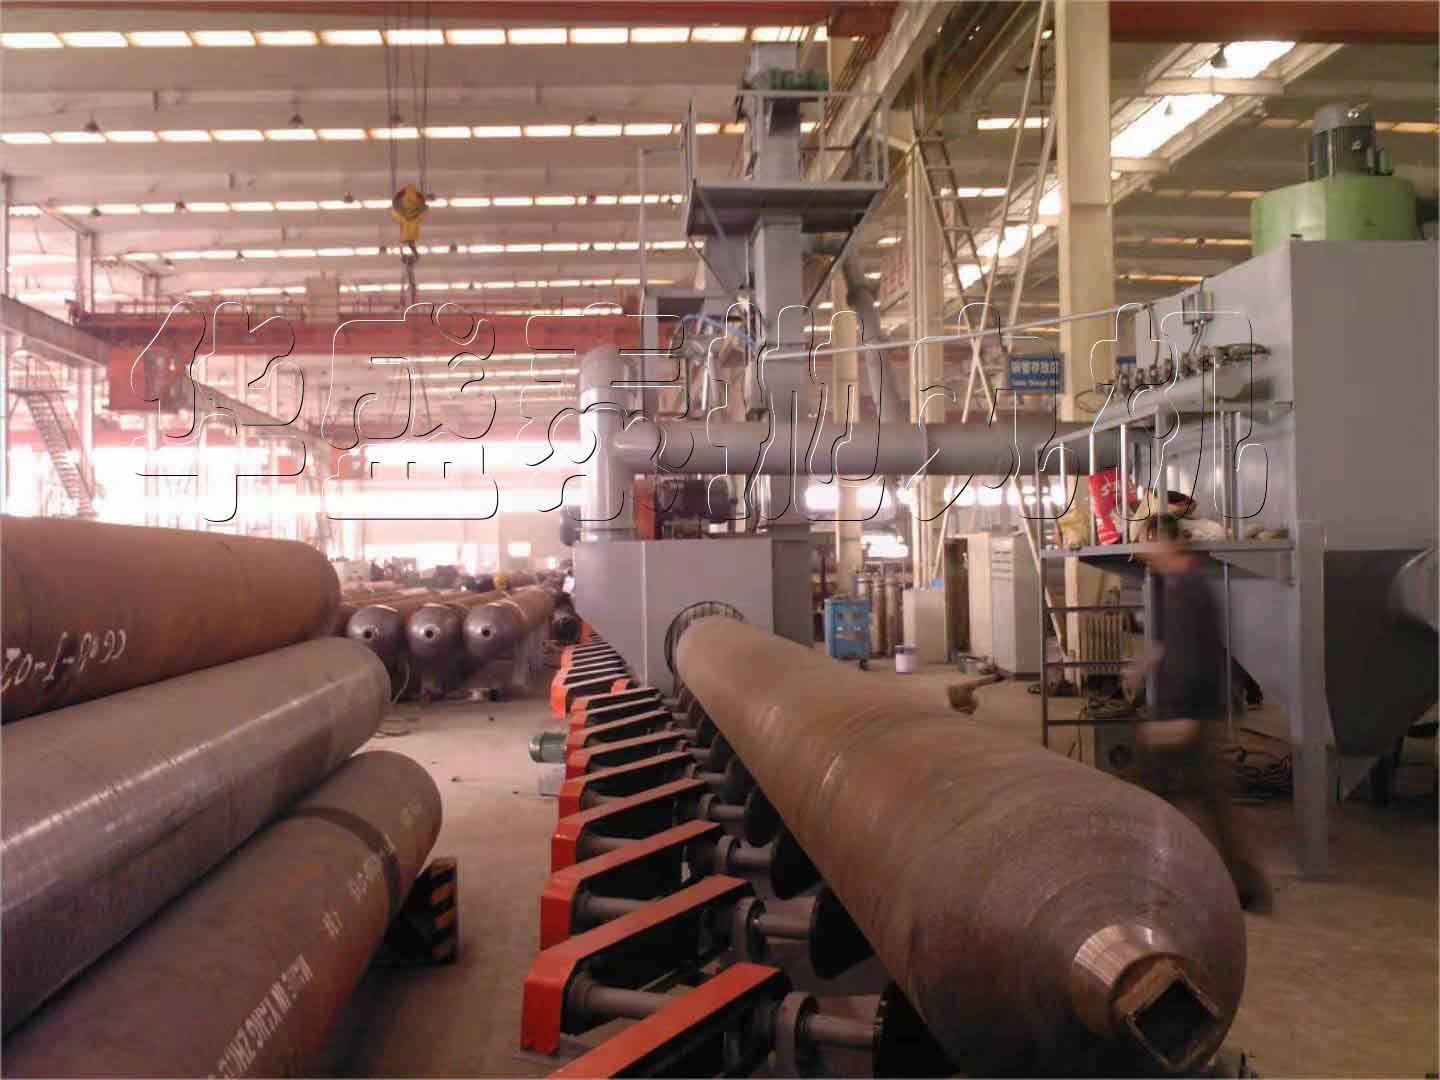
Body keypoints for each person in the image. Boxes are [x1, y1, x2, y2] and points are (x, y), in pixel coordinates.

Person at [1127, 514, 1273, 912]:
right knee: (1185, 797)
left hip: (1190, 712)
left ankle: (1243, 885)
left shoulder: (1191, 588)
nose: (1142, 549)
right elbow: (1168, 644)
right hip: (1176, 710)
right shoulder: (1170, 584)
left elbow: (1200, 656)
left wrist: (1185, 718)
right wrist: (1143, 666)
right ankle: (1236, 884)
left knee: (1203, 799)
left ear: (1166, 541)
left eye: (1146, 540)